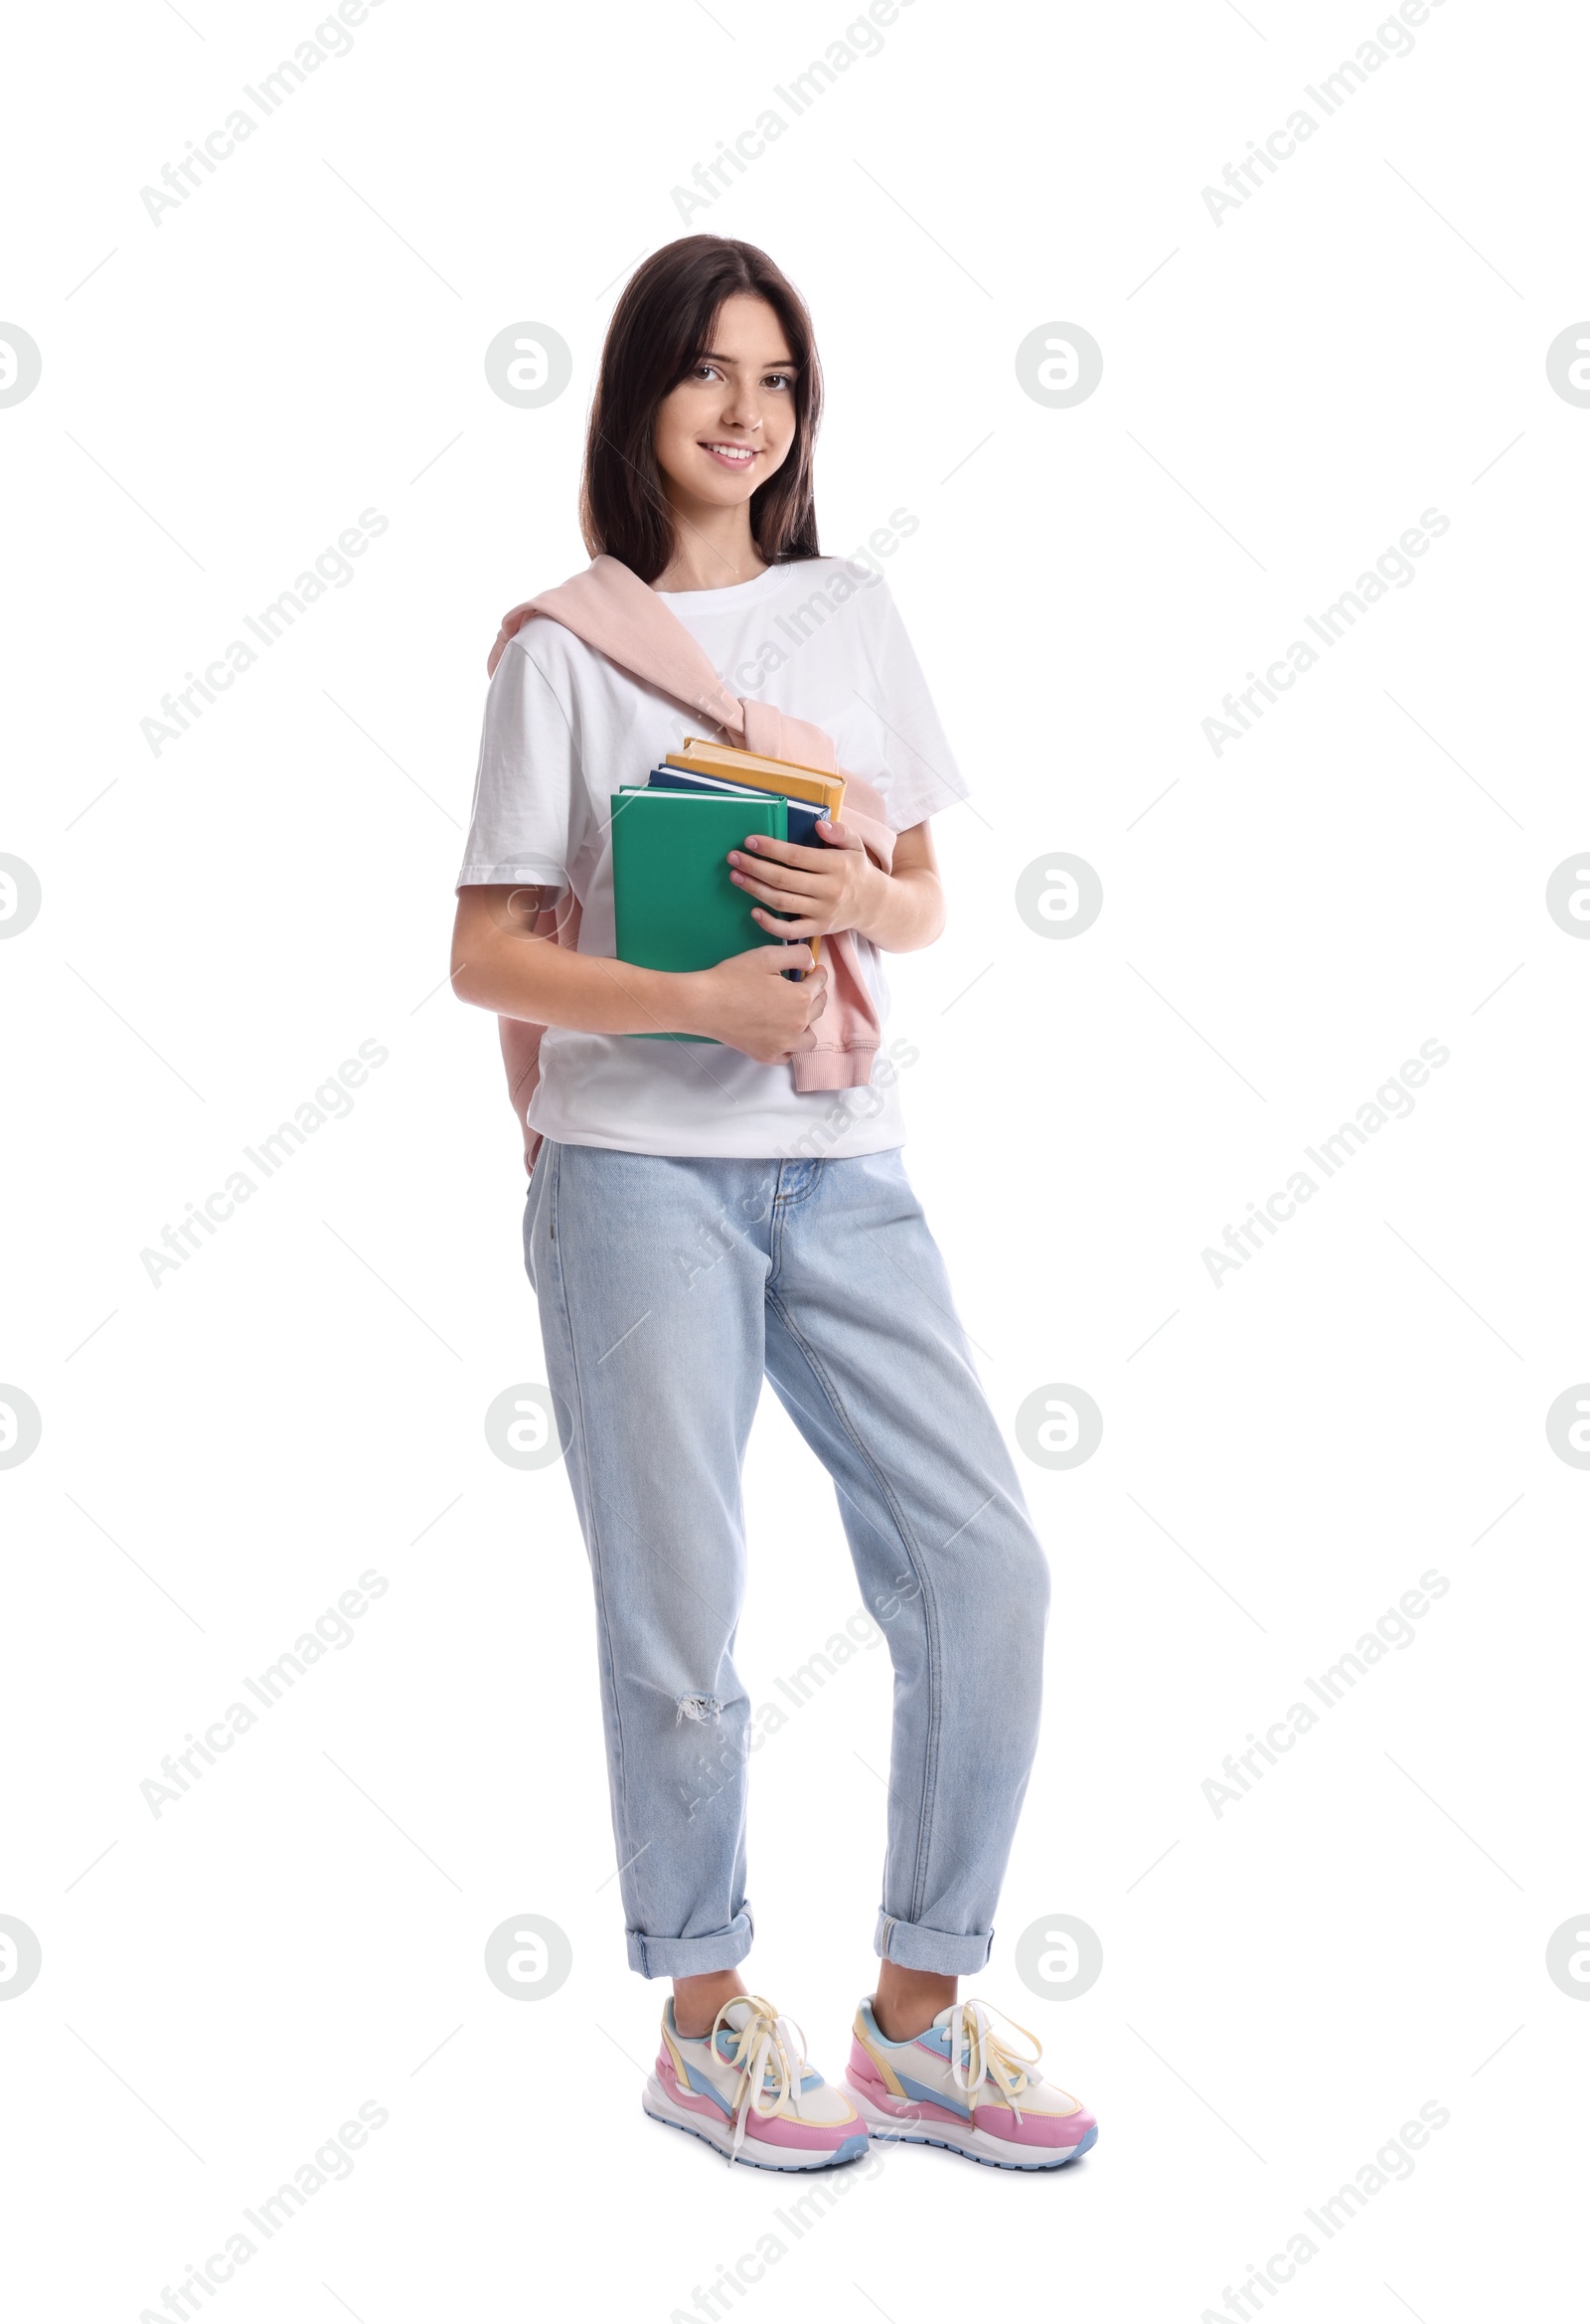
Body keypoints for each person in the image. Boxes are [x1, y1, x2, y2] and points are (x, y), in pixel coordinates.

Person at [451, 235, 1097, 2173]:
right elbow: (489, 952)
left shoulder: (846, 613)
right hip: (638, 1176)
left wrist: (849, 906)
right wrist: (690, 997)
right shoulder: (561, 646)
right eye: (706, 374)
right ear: (639, 396)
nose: (744, 412)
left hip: (843, 1161)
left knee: (984, 1564)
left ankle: (912, 2013)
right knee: (682, 1620)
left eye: (778, 381)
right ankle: (706, 2012)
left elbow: (911, 892)